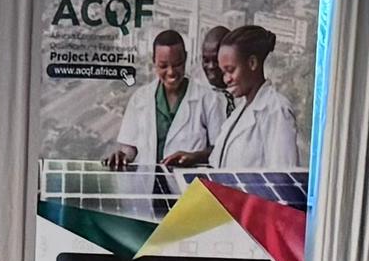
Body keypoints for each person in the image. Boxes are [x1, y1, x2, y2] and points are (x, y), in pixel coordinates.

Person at [107, 28, 214, 183]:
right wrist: (123, 156)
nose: (171, 72)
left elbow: (219, 149)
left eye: (177, 64)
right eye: (163, 66)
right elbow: (130, 146)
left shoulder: (208, 99)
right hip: (147, 186)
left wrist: (195, 157)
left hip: (190, 187)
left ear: (186, 58)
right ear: (154, 61)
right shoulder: (140, 99)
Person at [209, 23, 306, 172]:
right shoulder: (240, 111)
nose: (226, 79)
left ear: (252, 63)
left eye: (231, 70)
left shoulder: (276, 110)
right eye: (223, 72)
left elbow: (282, 175)